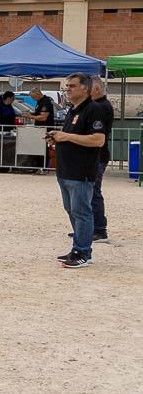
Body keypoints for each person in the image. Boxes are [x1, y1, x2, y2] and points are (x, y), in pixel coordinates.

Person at [47, 73, 110, 269]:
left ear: (85, 88)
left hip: (81, 170)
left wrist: (65, 136)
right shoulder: (72, 110)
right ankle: (78, 248)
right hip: (66, 170)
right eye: (67, 86)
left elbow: (98, 140)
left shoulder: (94, 110)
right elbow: (71, 136)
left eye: (72, 86)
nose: (68, 89)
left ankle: (83, 251)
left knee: (82, 211)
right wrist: (57, 138)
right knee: (71, 209)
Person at [89, 76, 114, 242]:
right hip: (93, 156)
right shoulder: (96, 105)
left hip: (99, 156)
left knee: (94, 192)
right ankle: (89, 227)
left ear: (97, 89)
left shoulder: (101, 107)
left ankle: (100, 230)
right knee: (88, 192)